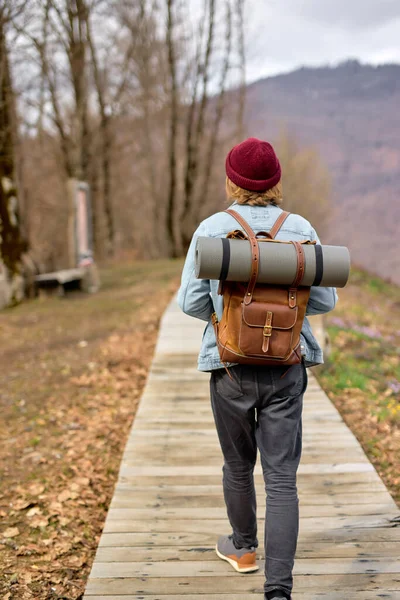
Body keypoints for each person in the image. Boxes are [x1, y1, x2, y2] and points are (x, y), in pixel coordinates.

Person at [177, 137, 338, 600]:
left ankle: (244, 548)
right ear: (276, 183)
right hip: (286, 369)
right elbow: (324, 299)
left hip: (229, 368)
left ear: (232, 181)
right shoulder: (301, 228)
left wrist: (221, 315)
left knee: (237, 464)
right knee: (282, 478)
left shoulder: (211, 227)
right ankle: (279, 590)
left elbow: (191, 301)